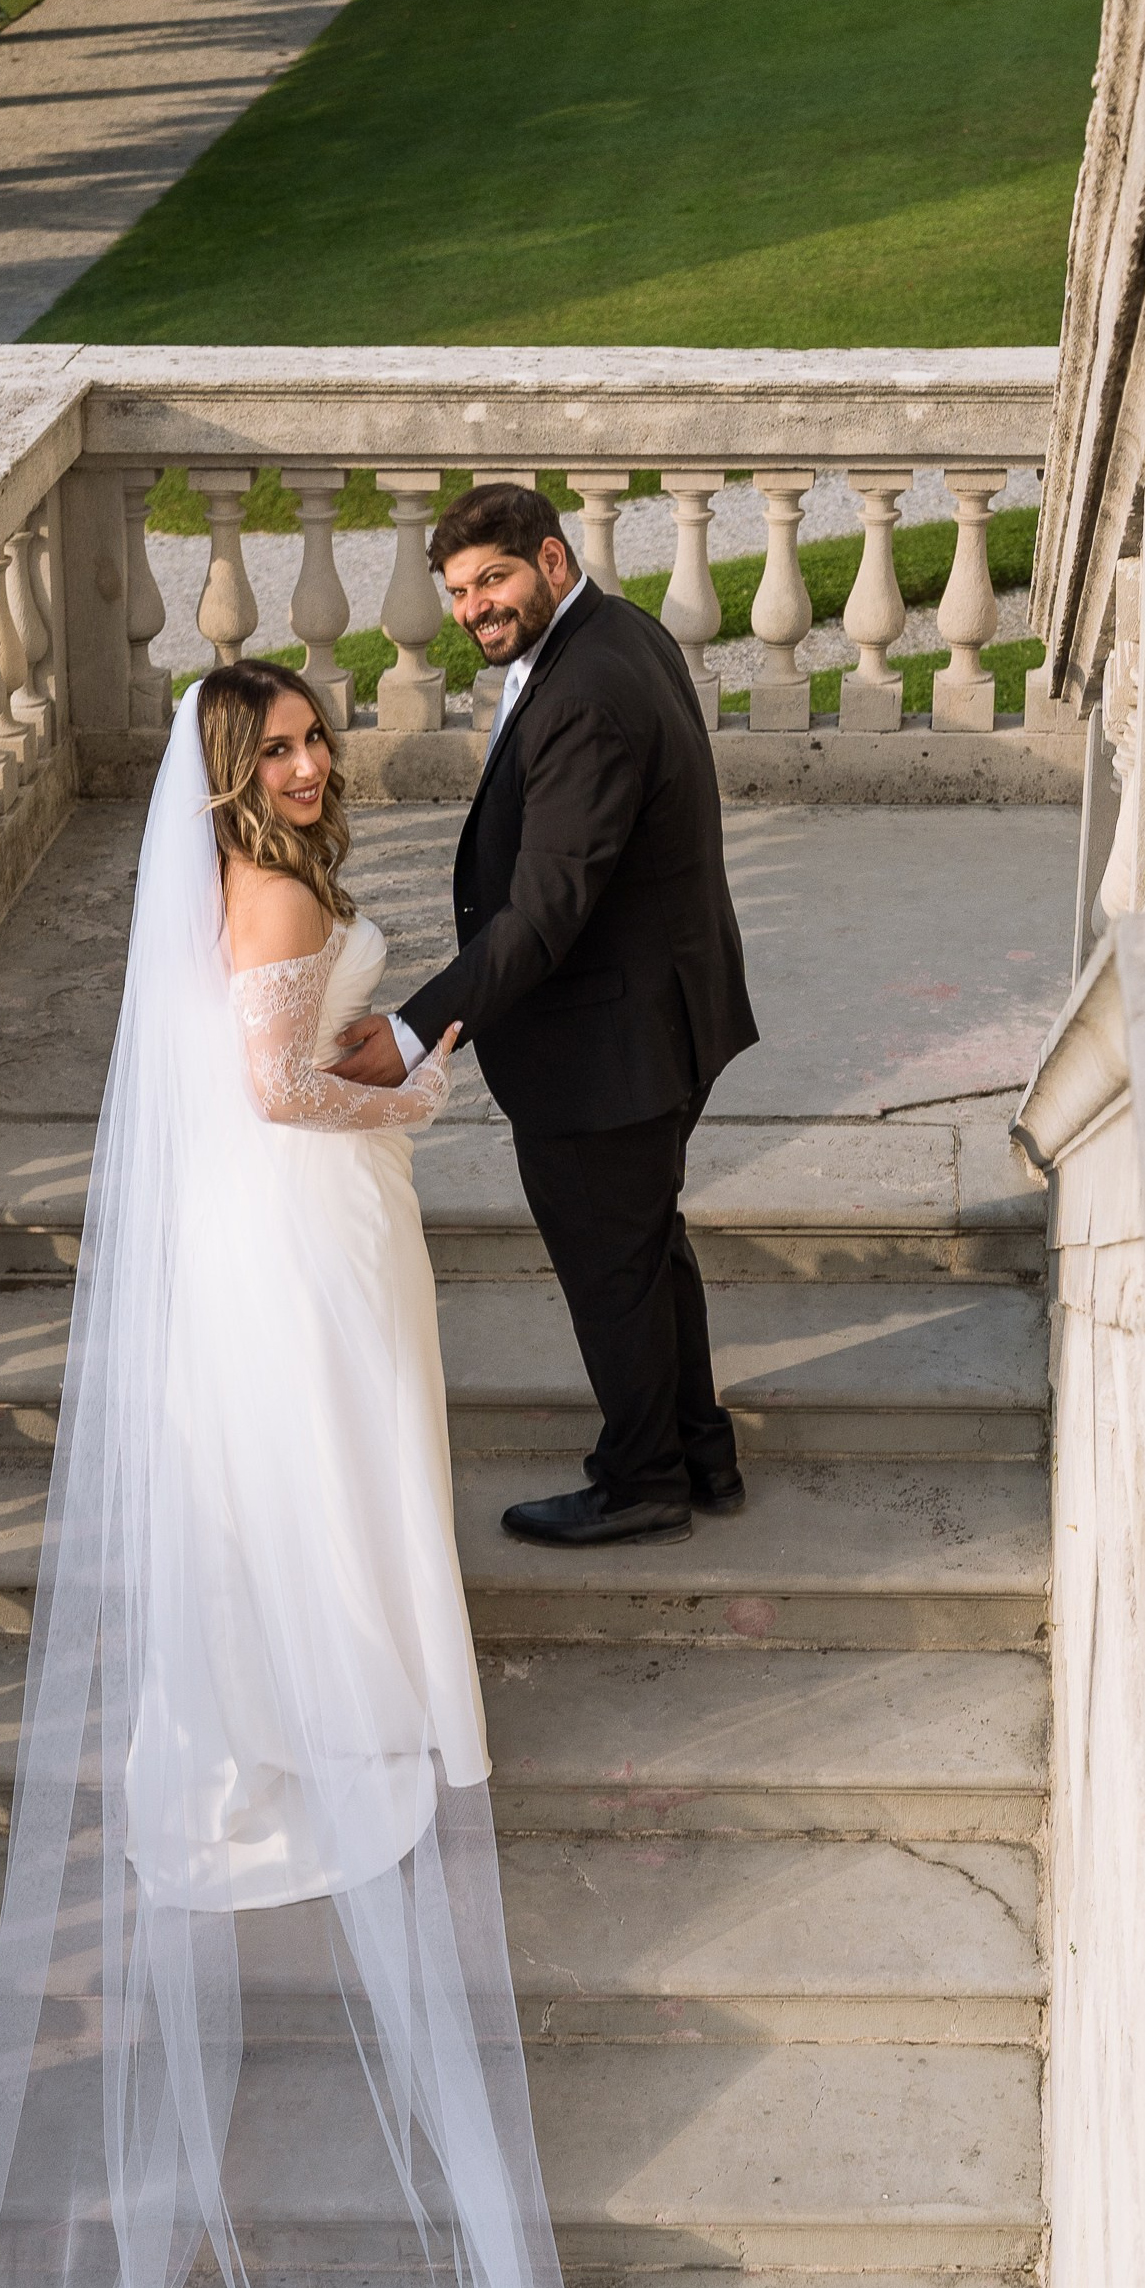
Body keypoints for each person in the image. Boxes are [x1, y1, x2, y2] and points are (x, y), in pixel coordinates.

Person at [0, 662, 590, 2288]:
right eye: (270, 749)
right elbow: (272, 1091)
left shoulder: (241, 891)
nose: (306, 762)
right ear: (221, 780)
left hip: (288, 1239)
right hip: (304, 1226)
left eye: (311, 738)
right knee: (340, 1462)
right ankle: (350, 1694)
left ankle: (341, 1681)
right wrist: (411, 1085)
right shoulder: (262, 900)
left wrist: (374, 1069)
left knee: (337, 1467)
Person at [332, 481, 760, 1545]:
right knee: (644, 1246)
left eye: (495, 579)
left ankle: (640, 1481)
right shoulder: (621, 634)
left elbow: (545, 911)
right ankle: (699, 1450)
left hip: (607, 1042)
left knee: (611, 1270)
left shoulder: (584, 692)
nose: (477, 607)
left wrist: (406, 1030)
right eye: (460, 591)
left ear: (554, 562)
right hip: (657, 1014)